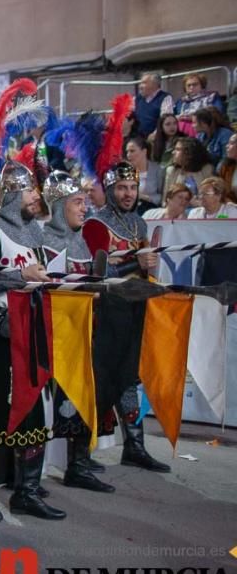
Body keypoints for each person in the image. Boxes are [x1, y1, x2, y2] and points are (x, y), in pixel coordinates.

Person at [0, 161, 65, 520]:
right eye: (27, 190)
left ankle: (26, 490)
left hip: (31, 332)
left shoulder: (34, 232)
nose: (35, 196)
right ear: (10, 194)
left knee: (35, 414)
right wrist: (17, 274)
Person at [82, 161, 170, 475]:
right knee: (102, 379)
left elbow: (144, 268)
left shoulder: (140, 225)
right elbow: (96, 275)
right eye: (121, 188)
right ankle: (81, 454)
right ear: (109, 190)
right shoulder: (95, 224)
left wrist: (147, 269)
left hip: (135, 307)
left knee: (131, 377)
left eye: (132, 187)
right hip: (107, 311)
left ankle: (135, 447)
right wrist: (135, 263)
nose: (128, 193)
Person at [40, 172, 116, 494]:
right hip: (57, 336)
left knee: (86, 397)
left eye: (85, 202)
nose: (84, 208)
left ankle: (79, 464)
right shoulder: (43, 239)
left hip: (86, 332)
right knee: (54, 408)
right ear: (59, 206)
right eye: (77, 202)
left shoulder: (82, 240)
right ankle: (35, 474)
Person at [164, 137, 216, 203]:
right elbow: (165, 199)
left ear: (189, 154)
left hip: (201, 209)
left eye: (177, 149)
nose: (173, 152)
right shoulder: (171, 171)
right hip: (177, 210)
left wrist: (196, 203)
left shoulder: (206, 170)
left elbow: (212, 198)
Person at [124, 137, 165, 214]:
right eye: (127, 152)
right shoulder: (125, 171)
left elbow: (163, 196)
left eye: (132, 151)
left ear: (144, 151)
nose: (128, 155)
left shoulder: (158, 170)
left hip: (152, 211)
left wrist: (146, 198)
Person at [133, 72, 174, 137]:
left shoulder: (165, 98)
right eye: (140, 83)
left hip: (156, 138)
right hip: (138, 138)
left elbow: (165, 121)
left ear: (155, 84)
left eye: (144, 83)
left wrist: (154, 135)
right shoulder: (137, 99)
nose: (140, 86)